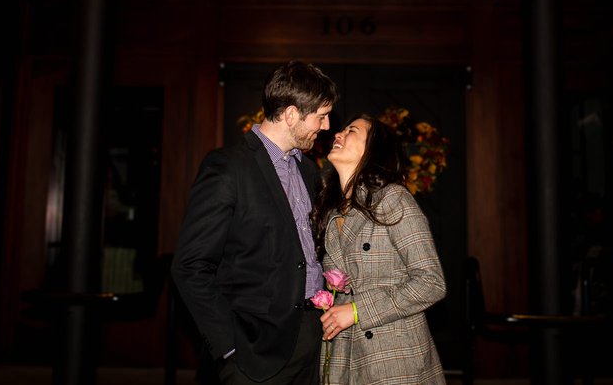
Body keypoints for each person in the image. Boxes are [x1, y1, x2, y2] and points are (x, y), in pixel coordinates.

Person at [172, 60, 339, 384]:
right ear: (291, 114)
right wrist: (229, 348)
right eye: (320, 115)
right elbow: (190, 266)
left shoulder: (307, 170)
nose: (327, 125)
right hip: (253, 352)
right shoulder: (228, 167)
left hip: (311, 342)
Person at [311, 114, 446, 384]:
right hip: (342, 357)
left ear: (372, 149)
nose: (338, 134)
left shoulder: (393, 198)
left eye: (351, 131)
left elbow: (432, 282)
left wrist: (358, 309)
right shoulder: (331, 210)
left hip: (394, 360)